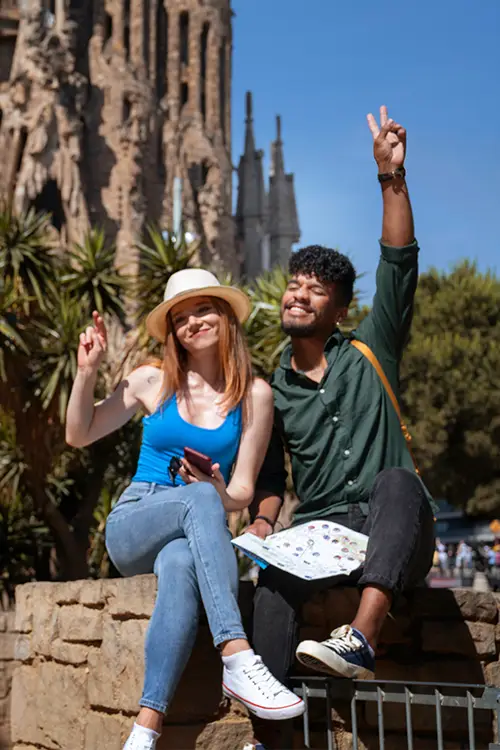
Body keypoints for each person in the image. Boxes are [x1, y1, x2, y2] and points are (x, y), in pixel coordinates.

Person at [247, 106, 435, 748]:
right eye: (294, 285)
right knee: (270, 583)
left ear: (342, 308)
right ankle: (273, 734)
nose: (299, 294)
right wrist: (265, 524)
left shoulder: (371, 349)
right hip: (320, 536)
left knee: (400, 483)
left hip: (392, 532)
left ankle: (361, 637)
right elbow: (271, 481)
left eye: (317, 289)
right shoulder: (269, 390)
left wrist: (390, 178)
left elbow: (399, 260)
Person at [65, 269, 304, 750]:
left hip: (192, 527)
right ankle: (237, 656)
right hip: (137, 517)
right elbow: (79, 433)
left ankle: (145, 728)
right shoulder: (153, 379)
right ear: (172, 332)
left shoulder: (254, 395)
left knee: (179, 565)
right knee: (194, 503)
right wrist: (87, 371)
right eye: (181, 318)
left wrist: (214, 485)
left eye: (203, 309)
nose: (192, 322)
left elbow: (239, 494)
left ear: (225, 316)